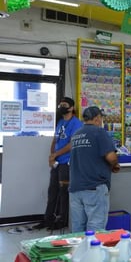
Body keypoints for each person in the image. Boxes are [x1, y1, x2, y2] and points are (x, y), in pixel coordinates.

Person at [33, 97, 83, 230]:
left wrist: (56, 154)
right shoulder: (60, 122)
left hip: (67, 163)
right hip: (57, 162)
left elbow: (72, 144)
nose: (61, 106)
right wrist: (52, 156)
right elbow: (55, 141)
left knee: (63, 192)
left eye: (64, 105)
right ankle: (48, 219)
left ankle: (61, 221)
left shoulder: (77, 124)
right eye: (60, 104)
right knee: (52, 191)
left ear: (71, 107)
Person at [69, 106, 120, 232]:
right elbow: (111, 156)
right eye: (101, 118)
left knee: (78, 229)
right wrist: (114, 165)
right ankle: (93, 252)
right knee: (96, 229)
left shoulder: (76, 134)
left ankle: (79, 252)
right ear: (97, 118)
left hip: (75, 188)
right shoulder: (99, 132)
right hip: (94, 187)